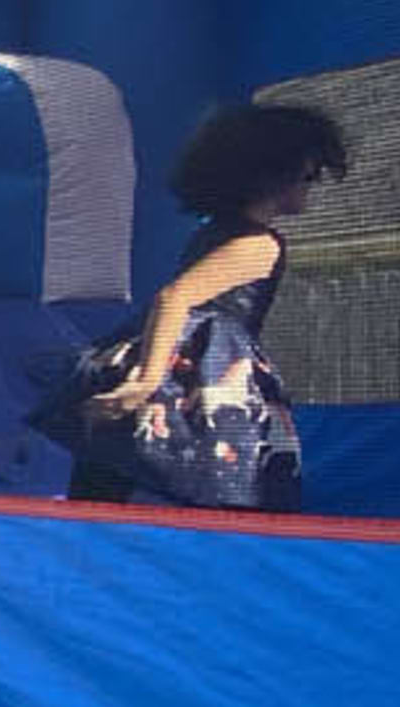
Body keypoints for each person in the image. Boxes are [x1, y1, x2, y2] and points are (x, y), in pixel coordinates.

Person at [73, 103, 346, 512]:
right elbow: (175, 297)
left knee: (118, 474)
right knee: (245, 485)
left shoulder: (213, 232)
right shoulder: (257, 244)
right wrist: (146, 382)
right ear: (273, 175)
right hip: (202, 377)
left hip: (189, 368)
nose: (311, 185)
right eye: (308, 176)